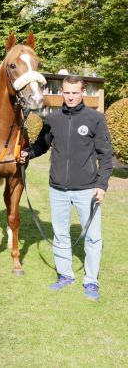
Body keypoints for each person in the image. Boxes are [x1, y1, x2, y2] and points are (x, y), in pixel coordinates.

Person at [20, 75, 113, 301]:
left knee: (93, 237)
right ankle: (65, 275)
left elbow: (106, 155)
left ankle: (91, 281)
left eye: (75, 92)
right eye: (67, 92)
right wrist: (28, 153)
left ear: (83, 93)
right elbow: (43, 144)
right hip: (58, 189)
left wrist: (101, 185)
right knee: (60, 234)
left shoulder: (95, 119)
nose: (70, 96)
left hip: (87, 190)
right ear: (62, 92)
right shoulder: (53, 119)